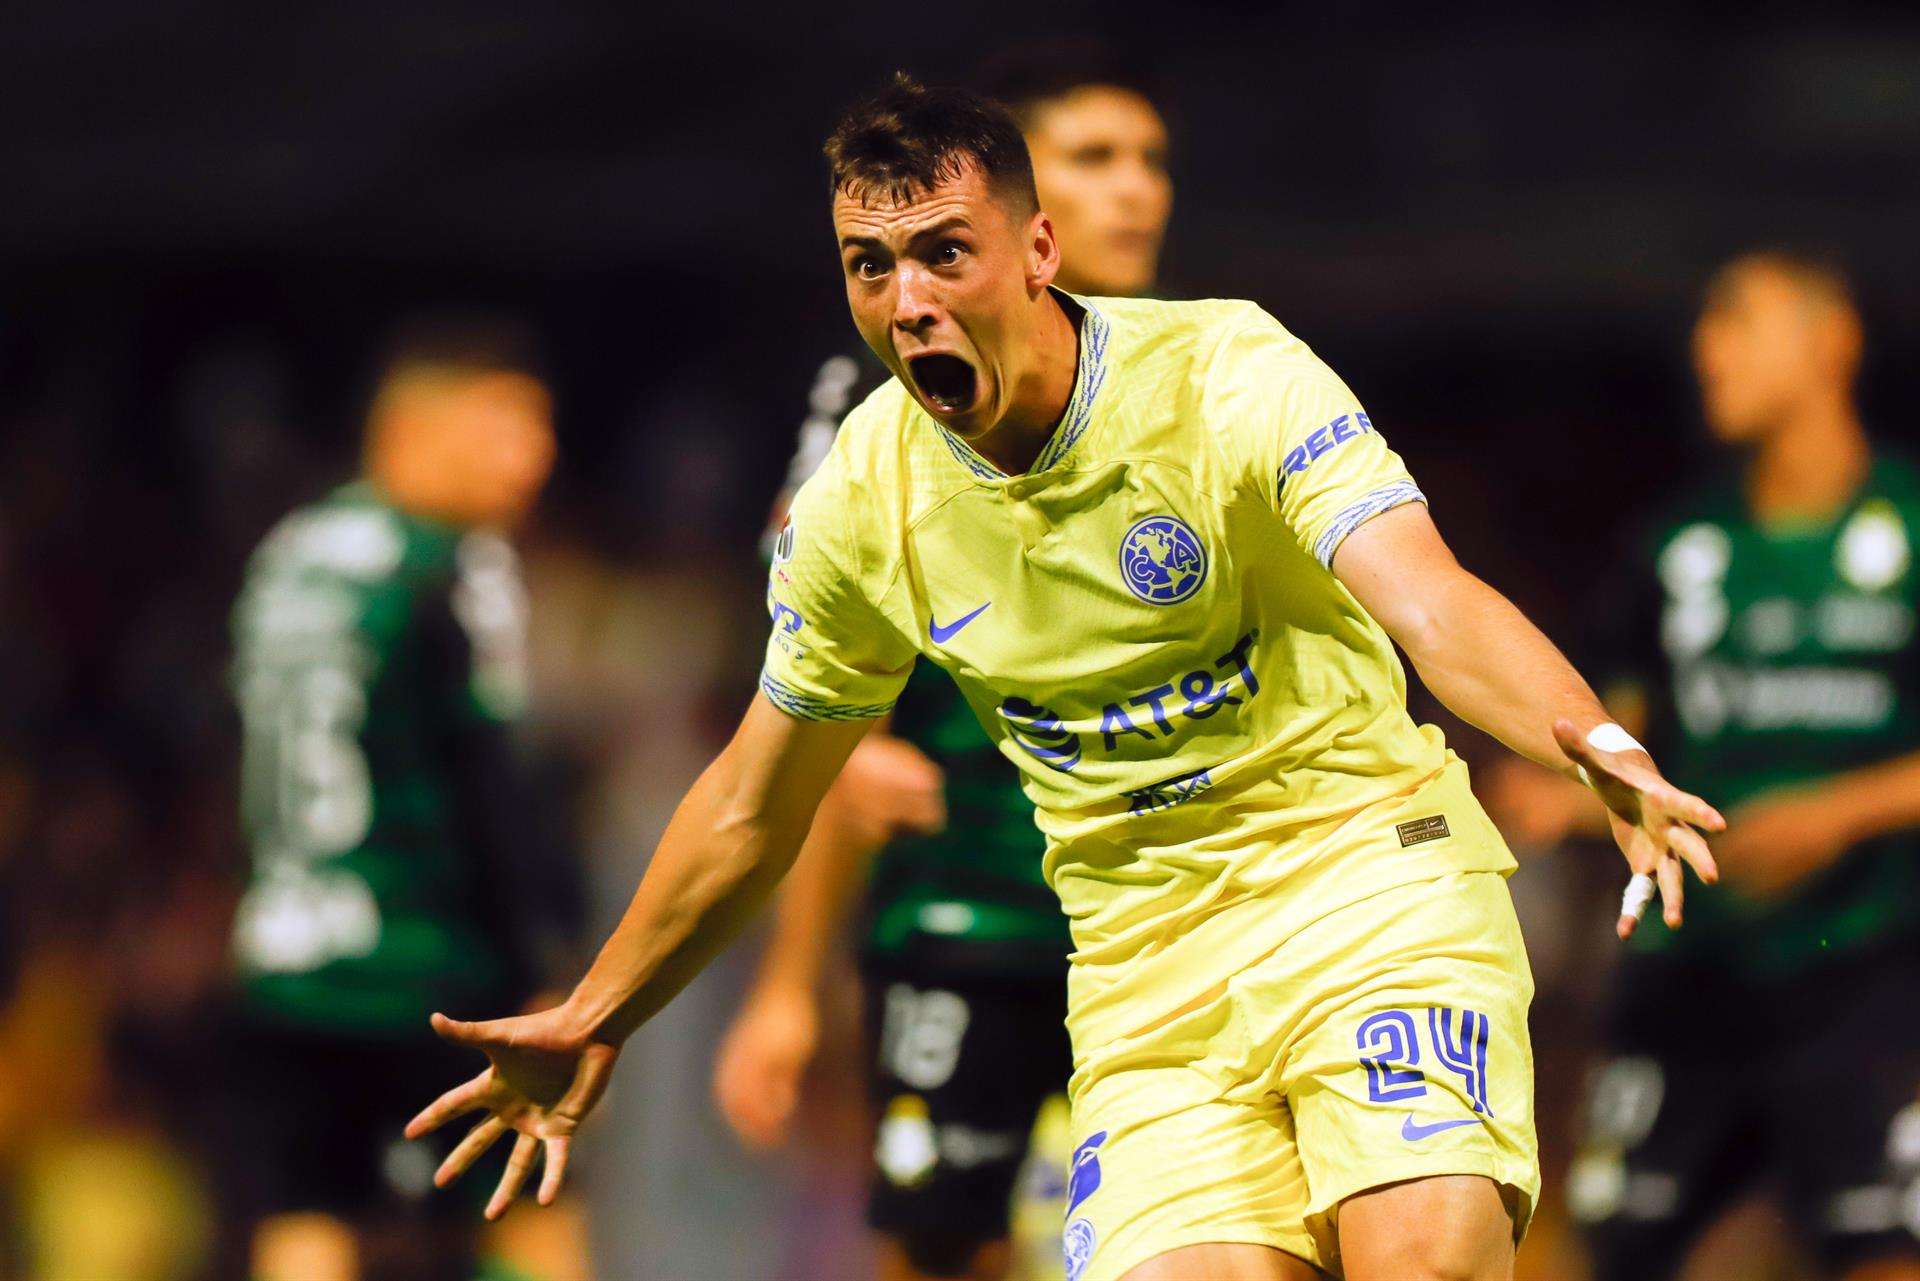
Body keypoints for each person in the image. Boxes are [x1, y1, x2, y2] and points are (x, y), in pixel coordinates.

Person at [406, 76, 1722, 1281]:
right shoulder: (863, 498)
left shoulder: (1225, 373)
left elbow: (1432, 603)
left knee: (1421, 1257)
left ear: (1035, 252)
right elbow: (758, 798)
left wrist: (1591, 740)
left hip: (1362, 881)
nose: (906, 298)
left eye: (941, 253)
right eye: (870, 265)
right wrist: (598, 1011)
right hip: (1145, 973)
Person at [710, 53, 1173, 1281]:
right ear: (1025, 217)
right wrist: (788, 987)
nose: (1132, 193)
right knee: (943, 1252)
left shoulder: (1208, 380)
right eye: (1093, 160)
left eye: (1149, 161)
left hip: (1166, 918)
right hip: (965, 903)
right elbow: (811, 693)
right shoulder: (879, 404)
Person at [1495, 250, 1920, 1281]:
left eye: (1736, 321)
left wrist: (1839, 814)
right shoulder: (1679, 547)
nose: (1705, 349)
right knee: (1600, 1249)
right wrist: (1564, 789)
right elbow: (1608, 726)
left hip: (1872, 971)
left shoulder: (1908, 521)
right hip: (1691, 973)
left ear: (1833, 341)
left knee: (1883, 1250)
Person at [225, 318, 587, 1281]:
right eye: (511, 424)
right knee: (532, 1201)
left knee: (309, 1213)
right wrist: (547, 961)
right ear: (418, 426)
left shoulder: (291, 556)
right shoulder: (454, 561)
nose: (536, 457)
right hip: (431, 964)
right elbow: (489, 783)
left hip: (291, 950)